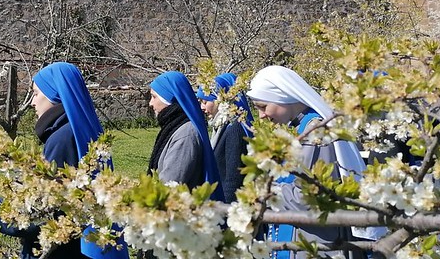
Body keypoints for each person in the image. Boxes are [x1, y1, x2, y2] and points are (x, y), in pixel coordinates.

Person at [0, 62, 128, 259]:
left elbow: (42, 216)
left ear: (54, 94)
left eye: (36, 94)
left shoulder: (61, 140)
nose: (32, 102)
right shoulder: (85, 129)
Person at [246, 65, 371, 259]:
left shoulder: (316, 134)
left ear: (282, 97)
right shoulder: (302, 128)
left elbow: (310, 196)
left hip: (317, 240)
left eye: (263, 107)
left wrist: (266, 191)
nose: (262, 115)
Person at [148, 71, 225, 196]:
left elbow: (170, 183)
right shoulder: (176, 127)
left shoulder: (186, 134)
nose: (150, 103)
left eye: (154, 97)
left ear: (168, 99)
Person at [196, 72, 253, 203]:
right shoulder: (220, 126)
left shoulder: (234, 129)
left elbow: (233, 180)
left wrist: (224, 213)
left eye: (206, 102)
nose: (202, 107)